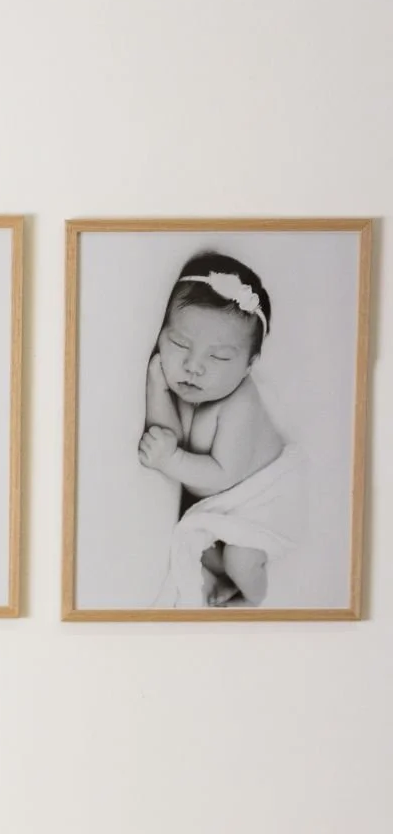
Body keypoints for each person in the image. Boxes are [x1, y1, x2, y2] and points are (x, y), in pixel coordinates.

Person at [139, 252, 290, 607]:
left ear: (249, 365)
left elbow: (219, 476)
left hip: (263, 502)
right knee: (199, 546)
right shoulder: (191, 387)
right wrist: (157, 387)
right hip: (221, 501)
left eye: (219, 357)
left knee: (240, 558)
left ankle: (253, 596)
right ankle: (228, 575)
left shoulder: (240, 404)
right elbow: (170, 435)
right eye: (179, 345)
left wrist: (171, 459)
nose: (193, 366)